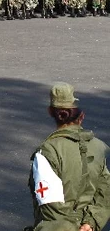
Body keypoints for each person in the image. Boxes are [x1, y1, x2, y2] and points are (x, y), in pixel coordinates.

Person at [26, 83, 110, 231]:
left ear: (50, 111)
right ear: (81, 116)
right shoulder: (98, 147)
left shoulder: (48, 152)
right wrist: (90, 222)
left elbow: (51, 209)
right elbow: (105, 190)